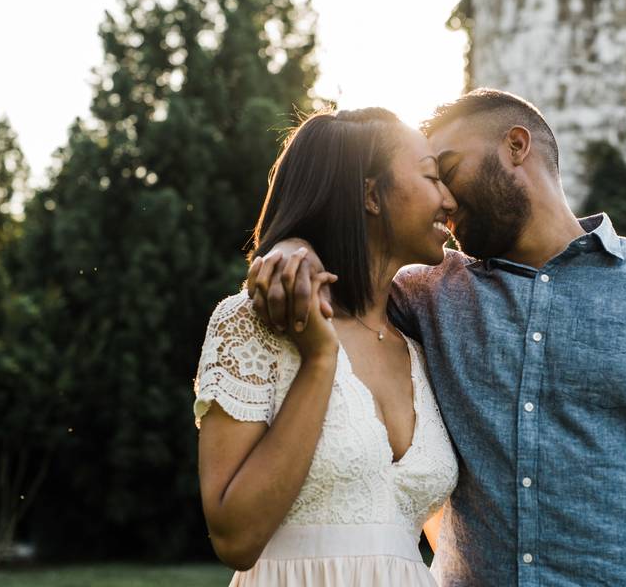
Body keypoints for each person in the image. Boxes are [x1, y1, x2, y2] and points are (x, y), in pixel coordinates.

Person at [247, 89, 626, 586]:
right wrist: (293, 246)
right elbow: (350, 263)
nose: (442, 199)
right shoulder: (424, 295)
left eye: (447, 169)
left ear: (516, 147)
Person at [194, 107, 459, 586]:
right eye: (431, 177)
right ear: (370, 195)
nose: (449, 198)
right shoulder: (256, 324)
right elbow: (236, 539)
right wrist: (319, 359)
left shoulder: (419, 340)